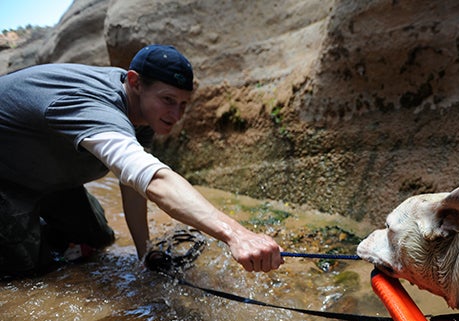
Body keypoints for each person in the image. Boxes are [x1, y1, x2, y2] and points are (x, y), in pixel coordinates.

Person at [0, 44, 283, 277]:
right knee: (29, 272)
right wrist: (236, 234)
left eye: (183, 104)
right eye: (169, 100)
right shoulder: (91, 105)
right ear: (134, 82)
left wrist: (144, 253)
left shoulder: (143, 108)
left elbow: (133, 183)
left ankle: (37, 226)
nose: (176, 114)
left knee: (98, 240)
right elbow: (154, 179)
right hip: (7, 179)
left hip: (47, 172)